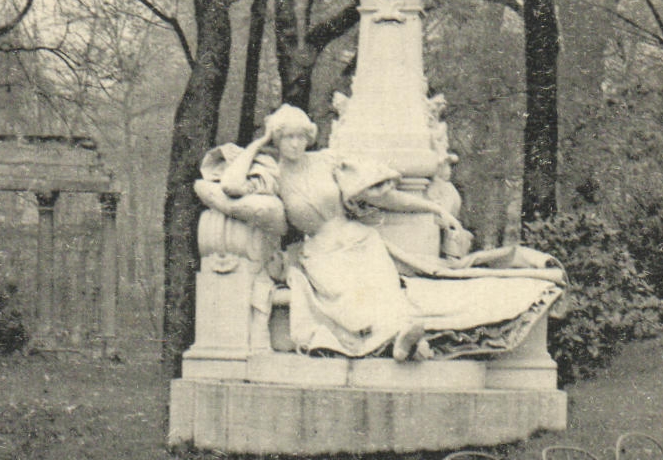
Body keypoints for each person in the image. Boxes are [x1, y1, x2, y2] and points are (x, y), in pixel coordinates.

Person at [237, 106, 562, 362]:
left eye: (299, 136)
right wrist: (258, 143)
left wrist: (435, 209)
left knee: (386, 291)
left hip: (360, 240)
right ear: (276, 140)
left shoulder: (327, 161)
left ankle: (402, 340)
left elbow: (384, 198)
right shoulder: (272, 174)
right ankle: (399, 341)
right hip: (320, 251)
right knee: (348, 295)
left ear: (308, 138)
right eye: (285, 137)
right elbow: (231, 185)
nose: (294, 143)